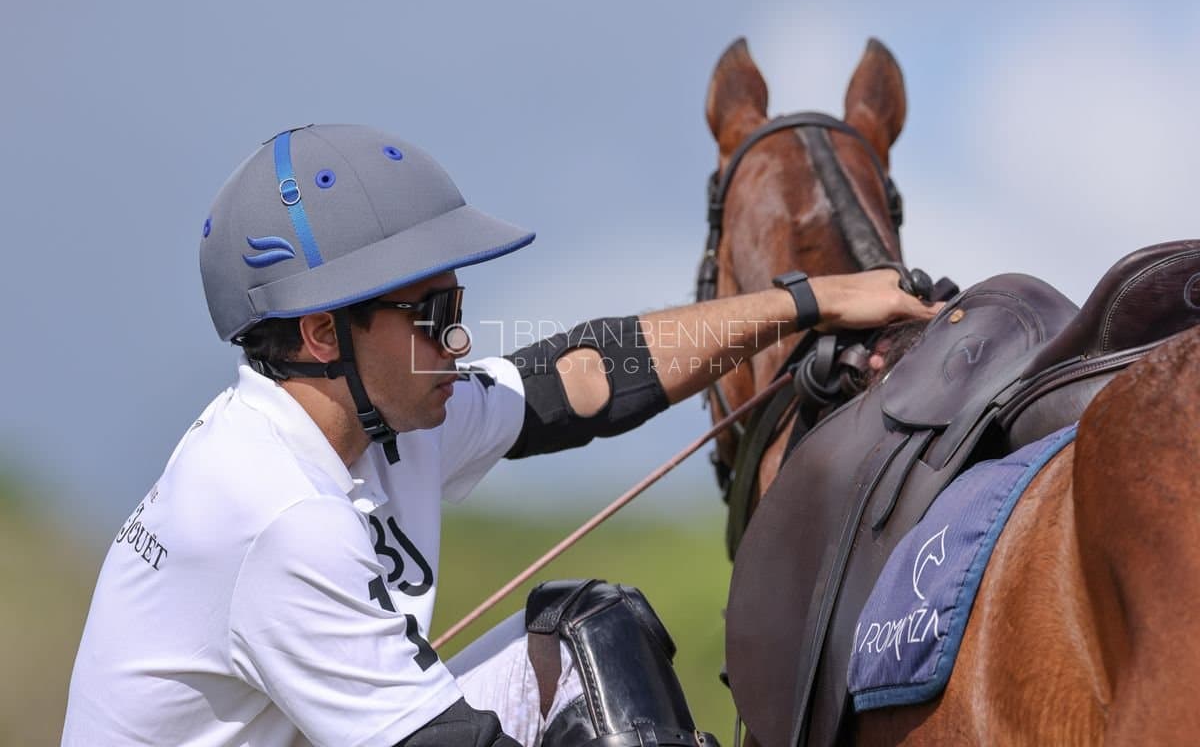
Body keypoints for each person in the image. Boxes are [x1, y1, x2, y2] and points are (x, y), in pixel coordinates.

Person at [62, 124, 937, 746]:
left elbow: (582, 379)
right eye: (432, 312)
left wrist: (810, 301)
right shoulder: (278, 515)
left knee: (591, 634)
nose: (457, 340)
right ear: (324, 334)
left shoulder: (369, 417)